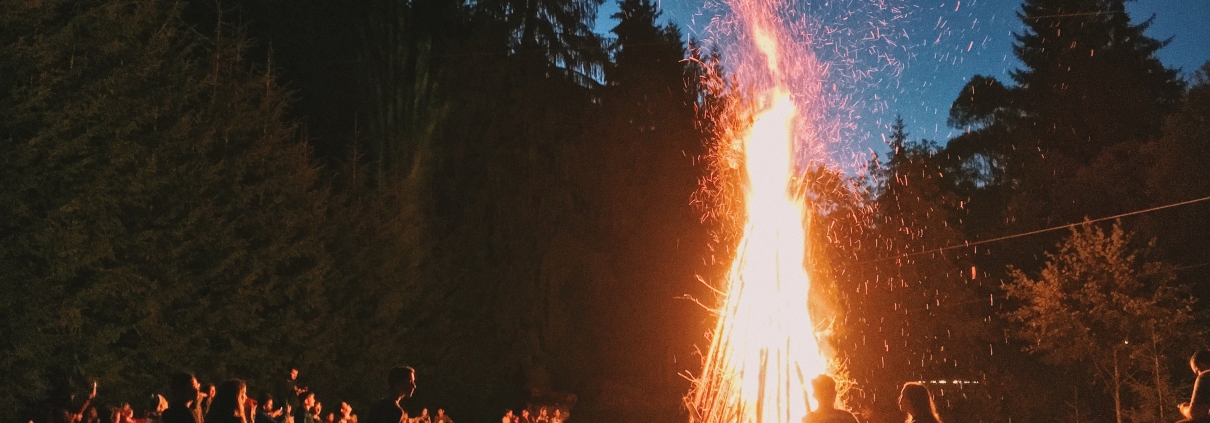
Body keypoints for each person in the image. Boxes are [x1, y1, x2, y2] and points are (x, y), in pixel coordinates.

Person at [1180, 350, 1210, 422]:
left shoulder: (1206, 377)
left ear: (1199, 367)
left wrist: (1184, 408)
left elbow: (1196, 414)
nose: (1198, 375)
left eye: (1196, 372)